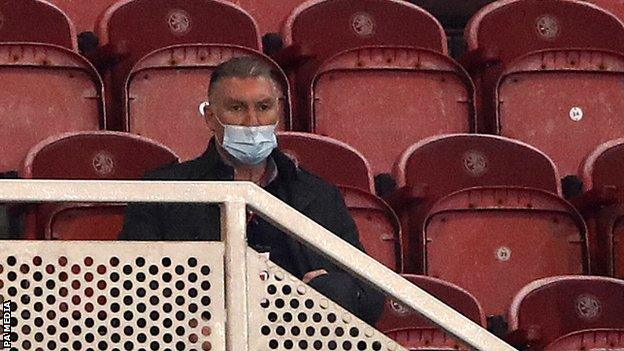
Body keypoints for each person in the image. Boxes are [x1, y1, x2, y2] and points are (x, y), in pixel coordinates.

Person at [119, 56, 384, 324]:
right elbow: (133, 294)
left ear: (278, 112)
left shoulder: (318, 195)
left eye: (263, 107)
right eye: (237, 108)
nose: (252, 121)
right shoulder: (164, 193)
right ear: (211, 117)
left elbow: (370, 293)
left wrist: (336, 290)